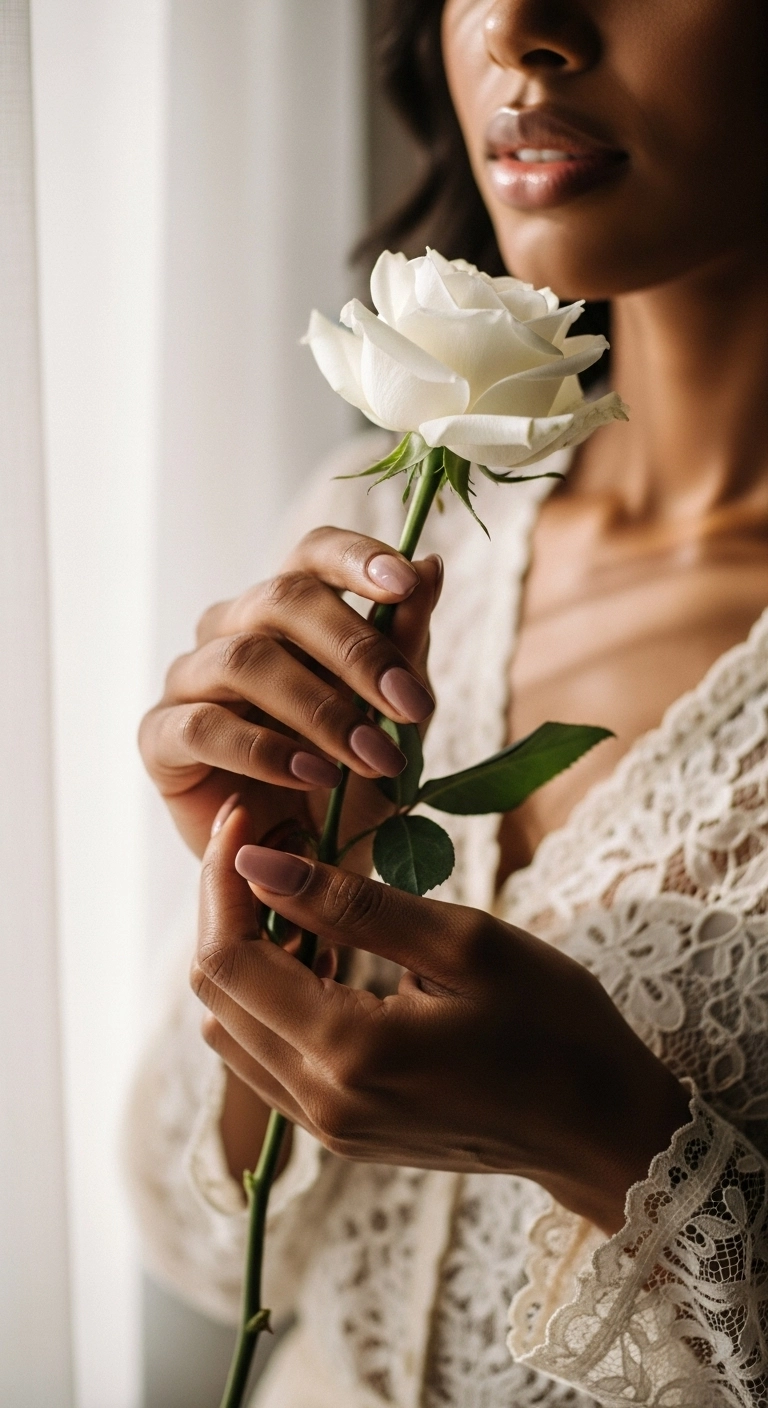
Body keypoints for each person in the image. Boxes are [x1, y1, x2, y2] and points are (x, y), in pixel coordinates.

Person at [127, 2, 768, 1403]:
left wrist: (608, 1136)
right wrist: (273, 908)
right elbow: (201, 1242)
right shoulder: (379, 527)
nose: (521, 26)